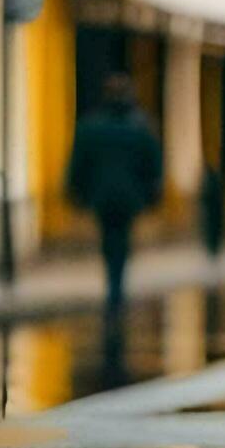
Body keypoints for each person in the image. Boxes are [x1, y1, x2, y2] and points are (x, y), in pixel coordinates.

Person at [66, 73, 163, 315]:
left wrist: (75, 190)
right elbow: (153, 165)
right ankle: (117, 286)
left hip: (103, 196)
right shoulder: (140, 126)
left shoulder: (92, 126)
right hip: (129, 197)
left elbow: (78, 162)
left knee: (109, 239)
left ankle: (114, 285)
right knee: (121, 239)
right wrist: (152, 194)